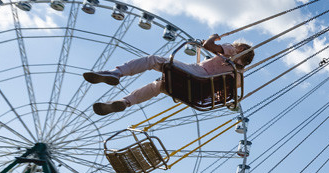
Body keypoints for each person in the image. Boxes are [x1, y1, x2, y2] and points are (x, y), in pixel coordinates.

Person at [85, 34, 254, 116]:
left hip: (195, 75)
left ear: (239, 50)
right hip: (197, 94)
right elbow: (223, 97)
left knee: (154, 60)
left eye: (235, 45)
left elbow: (209, 46)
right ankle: (124, 102)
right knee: (159, 85)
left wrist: (212, 38)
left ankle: (116, 73)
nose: (232, 46)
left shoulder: (231, 53)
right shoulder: (237, 78)